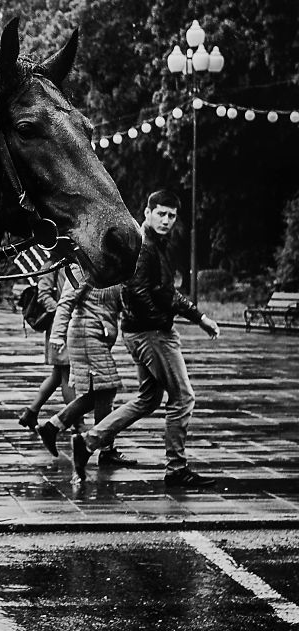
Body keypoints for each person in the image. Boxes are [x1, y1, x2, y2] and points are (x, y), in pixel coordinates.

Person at [71, 189, 219, 488]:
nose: (166, 220)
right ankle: (176, 468)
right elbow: (135, 292)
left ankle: (88, 441)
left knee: (149, 398)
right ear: (147, 212)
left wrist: (199, 317)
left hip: (144, 331)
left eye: (172, 216)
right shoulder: (142, 246)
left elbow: (165, 291)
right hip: (151, 334)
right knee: (183, 398)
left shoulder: (156, 244)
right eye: (161, 213)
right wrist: (161, 324)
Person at [35, 278, 136, 468]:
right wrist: (57, 333)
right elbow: (66, 300)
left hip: (97, 333)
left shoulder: (108, 264)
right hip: (86, 334)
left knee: (97, 393)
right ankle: (104, 448)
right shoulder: (84, 262)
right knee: (106, 390)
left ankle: (52, 427)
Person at [17, 262, 78, 432]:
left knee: (58, 375)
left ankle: (31, 412)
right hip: (61, 327)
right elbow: (43, 294)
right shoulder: (53, 264)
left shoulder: (69, 260)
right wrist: (63, 313)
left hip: (66, 324)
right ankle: (76, 421)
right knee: (66, 374)